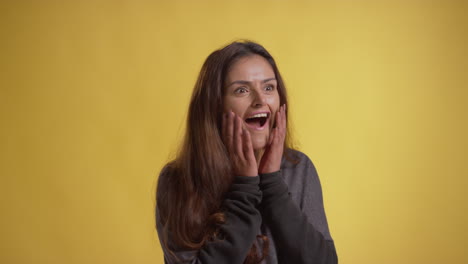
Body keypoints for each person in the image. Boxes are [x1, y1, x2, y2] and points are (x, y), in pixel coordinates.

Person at [155, 40, 338, 264]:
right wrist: (245, 188)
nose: (260, 101)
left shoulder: (298, 168)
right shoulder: (176, 180)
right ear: (215, 106)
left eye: (269, 88)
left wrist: (273, 187)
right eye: (241, 90)